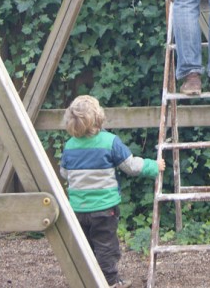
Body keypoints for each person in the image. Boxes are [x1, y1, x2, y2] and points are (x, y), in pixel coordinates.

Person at [59, 95, 165, 288]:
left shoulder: (69, 146)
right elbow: (131, 167)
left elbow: (65, 173)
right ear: (98, 118)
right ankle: (110, 282)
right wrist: (154, 166)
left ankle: (86, 280)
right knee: (106, 247)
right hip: (104, 209)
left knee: (85, 246)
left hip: (78, 210)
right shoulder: (110, 142)